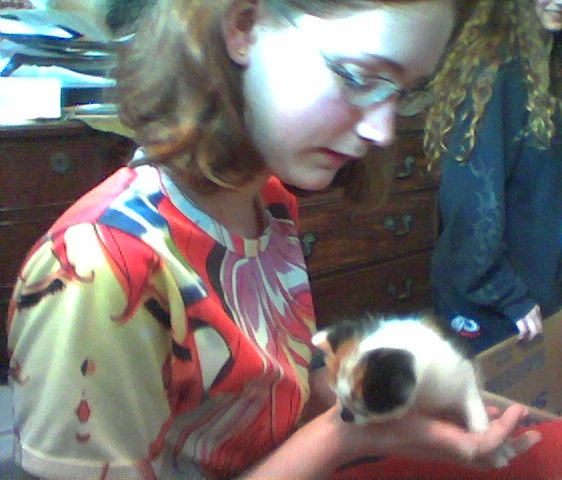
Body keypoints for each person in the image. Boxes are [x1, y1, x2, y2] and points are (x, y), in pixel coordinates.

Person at [6, 0, 556, 479]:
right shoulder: (97, 272)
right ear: (245, 25)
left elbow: (275, 390)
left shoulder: (267, 202)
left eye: (405, 94)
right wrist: (346, 436)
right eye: (360, 76)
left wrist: (405, 403)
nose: (383, 131)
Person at [425, 0, 562, 355]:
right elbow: (469, 205)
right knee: (489, 408)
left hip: (539, 289)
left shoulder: (552, 64)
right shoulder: (494, 71)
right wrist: (508, 294)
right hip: (497, 300)